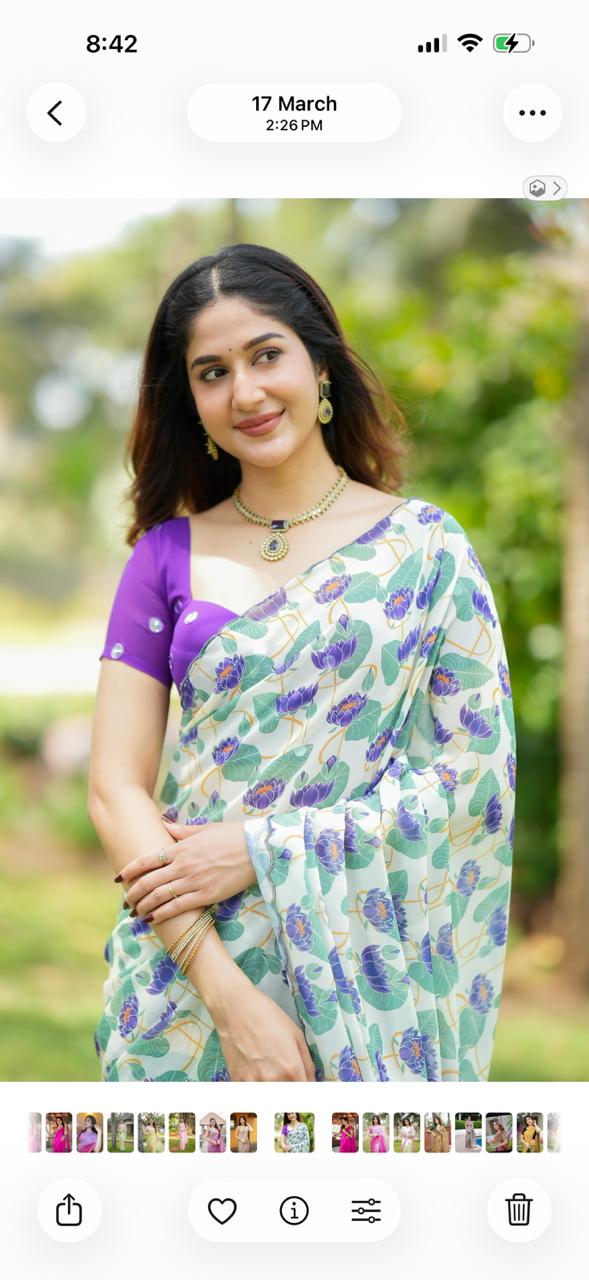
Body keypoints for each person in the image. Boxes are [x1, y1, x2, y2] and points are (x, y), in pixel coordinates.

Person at [89, 242, 516, 1084]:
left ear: (319, 366)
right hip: (185, 984)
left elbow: (473, 783)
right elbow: (114, 788)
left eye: (266, 355)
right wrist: (225, 993)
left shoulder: (426, 550)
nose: (244, 392)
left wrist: (263, 847)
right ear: (191, 401)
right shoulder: (164, 556)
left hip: (375, 978)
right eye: (211, 373)